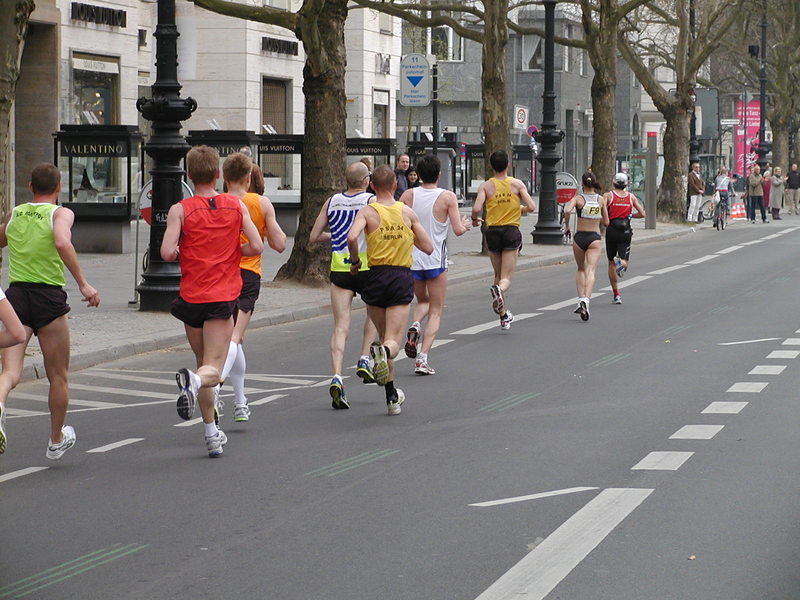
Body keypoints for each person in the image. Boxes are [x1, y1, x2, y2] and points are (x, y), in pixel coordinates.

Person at [161, 145, 263, 457]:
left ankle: (211, 433)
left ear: (189, 175)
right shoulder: (234, 205)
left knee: (202, 362)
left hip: (191, 296)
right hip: (221, 297)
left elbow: (166, 253)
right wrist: (234, 251)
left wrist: (186, 252)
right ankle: (191, 383)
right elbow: (256, 245)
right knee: (213, 371)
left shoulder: (180, 209)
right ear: (217, 174)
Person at [0, 163, 99, 459]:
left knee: (10, 371)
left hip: (16, 295)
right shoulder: (61, 213)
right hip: (48, 297)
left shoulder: (15, 213)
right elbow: (60, 240)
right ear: (58, 188)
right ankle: (55, 440)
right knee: (58, 376)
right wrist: (83, 284)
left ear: (30, 187)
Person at [346, 164, 433, 415]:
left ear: (372, 185)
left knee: (383, 333)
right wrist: (408, 237)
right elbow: (427, 247)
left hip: (374, 275)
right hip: (400, 276)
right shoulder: (406, 213)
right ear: (395, 185)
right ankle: (382, 353)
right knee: (391, 342)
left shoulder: (368, 211)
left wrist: (355, 262)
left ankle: (392, 397)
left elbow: (352, 238)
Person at [217, 154, 286, 423]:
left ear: (224, 177)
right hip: (248, 272)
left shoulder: (218, 201)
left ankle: (240, 401)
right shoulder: (260, 203)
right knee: (234, 337)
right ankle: (214, 385)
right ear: (249, 177)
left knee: (234, 337)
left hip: (220, 273)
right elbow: (279, 244)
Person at [309, 160, 379, 409]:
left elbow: (313, 236)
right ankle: (363, 358)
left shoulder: (331, 201)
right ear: (365, 181)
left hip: (340, 268)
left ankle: (337, 376)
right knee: (373, 315)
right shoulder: (371, 201)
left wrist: (333, 235)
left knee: (341, 326)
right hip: (367, 266)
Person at [400, 153, 471, 375]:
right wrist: (467, 225)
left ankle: (415, 325)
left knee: (422, 301)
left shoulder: (408, 196)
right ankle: (422, 358)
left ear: (417, 175)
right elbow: (458, 230)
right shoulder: (447, 197)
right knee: (437, 309)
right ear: (439, 174)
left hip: (413, 258)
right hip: (435, 259)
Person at [471, 150, 536, 330]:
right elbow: (532, 206)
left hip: (492, 232)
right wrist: (519, 209)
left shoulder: (486, 186)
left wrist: (475, 219)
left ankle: (503, 316)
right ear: (508, 165)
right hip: (511, 231)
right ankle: (500, 292)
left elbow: (476, 208)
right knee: (506, 278)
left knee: (498, 275)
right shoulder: (516, 184)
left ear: (491, 166)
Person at [562, 172, 609, 321]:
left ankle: (580, 297)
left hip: (579, 237)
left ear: (582, 184)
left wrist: (567, 225)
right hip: (594, 238)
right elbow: (606, 221)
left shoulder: (578, 199)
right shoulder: (600, 200)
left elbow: (567, 210)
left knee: (581, 268)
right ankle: (586, 299)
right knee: (591, 270)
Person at [603, 172, 646, 304]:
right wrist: (630, 216)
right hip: (625, 231)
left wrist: (606, 220)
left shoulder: (608, 196)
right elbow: (642, 213)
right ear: (626, 184)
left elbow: (602, 207)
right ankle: (620, 263)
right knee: (624, 262)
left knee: (610, 262)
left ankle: (616, 295)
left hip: (611, 230)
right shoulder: (631, 197)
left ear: (613, 182)